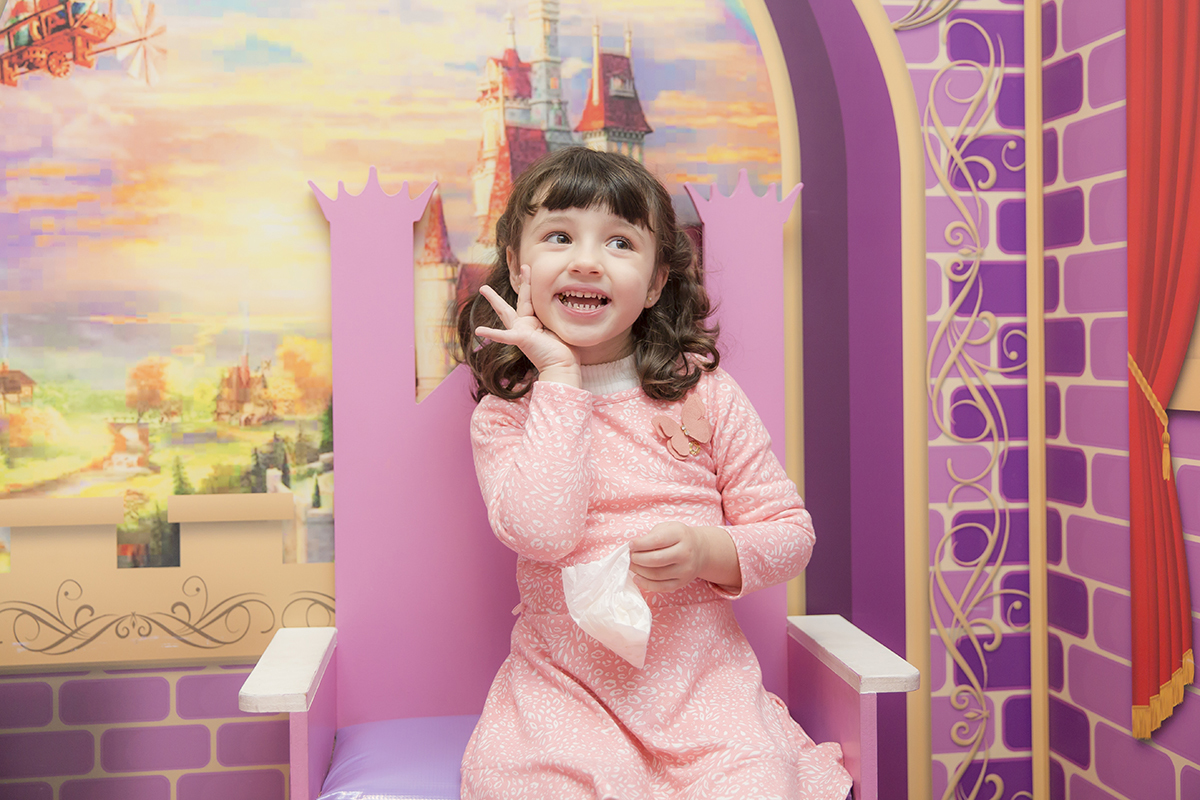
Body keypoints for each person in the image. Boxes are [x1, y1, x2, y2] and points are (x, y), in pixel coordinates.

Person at [456, 146, 852, 800]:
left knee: (756, 783)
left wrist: (706, 551)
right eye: (559, 237)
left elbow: (791, 535)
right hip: (563, 690)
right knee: (520, 786)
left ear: (656, 282)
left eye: (619, 242)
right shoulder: (508, 416)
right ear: (518, 267)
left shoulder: (706, 395)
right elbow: (543, 534)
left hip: (700, 686)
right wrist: (558, 376)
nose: (587, 260)